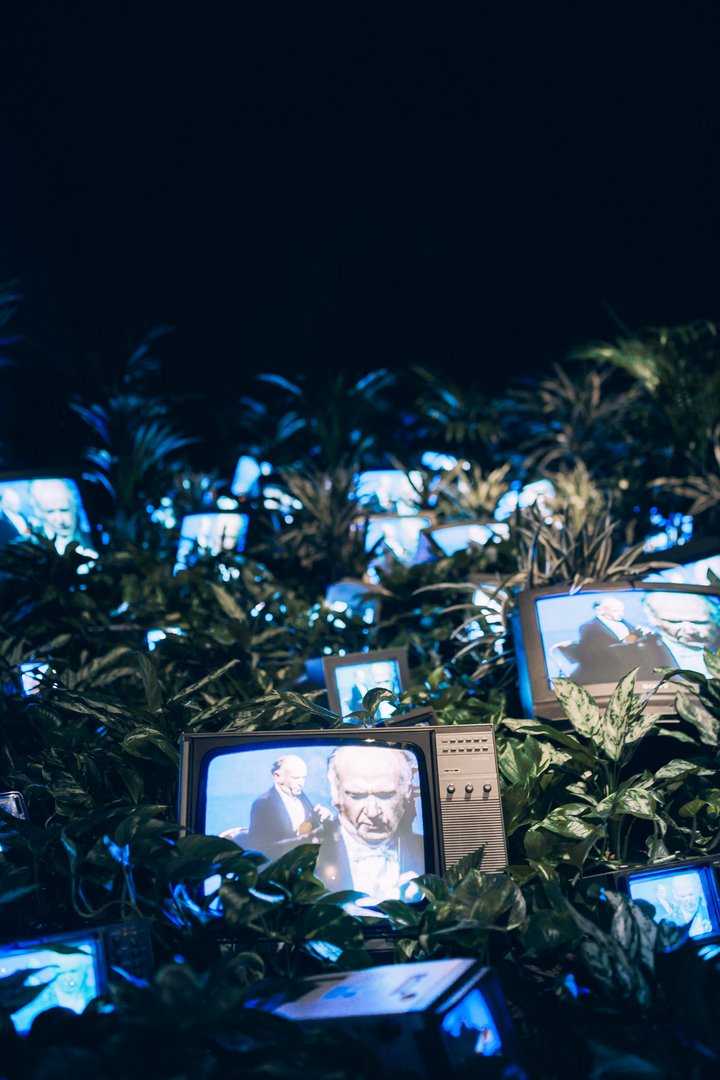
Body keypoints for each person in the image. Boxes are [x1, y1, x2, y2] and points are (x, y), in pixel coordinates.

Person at [315, 745, 424, 903]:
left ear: (407, 790)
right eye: (357, 795)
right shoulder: (305, 859)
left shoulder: (426, 850)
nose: (373, 812)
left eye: (385, 795)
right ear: (335, 794)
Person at [556, 597, 670, 684]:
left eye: (622, 611)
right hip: (611, 670)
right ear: (600, 611)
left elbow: (635, 635)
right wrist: (629, 641)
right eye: (616, 611)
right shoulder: (589, 627)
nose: (621, 614)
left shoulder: (623, 621)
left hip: (636, 666)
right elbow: (597, 653)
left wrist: (642, 633)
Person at [245, 755, 332, 859]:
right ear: (277, 776)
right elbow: (260, 850)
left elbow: (303, 828)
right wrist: (306, 839)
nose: (301, 783)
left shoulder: (301, 796)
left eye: (303, 778)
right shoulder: (263, 804)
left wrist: (320, 818)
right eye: (296, 778)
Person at [642, 591, 720, 674]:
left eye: (698, 622)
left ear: (717, 617)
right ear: (653, 619)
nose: (690, 631)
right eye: (674, 622)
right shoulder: (640, 653)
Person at [28, 479, 82, 554]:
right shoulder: (30, 547)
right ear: (38, 512)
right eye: (50, 512)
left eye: (64, 510)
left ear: (75, 506)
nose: (60, 520)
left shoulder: (93, 538)